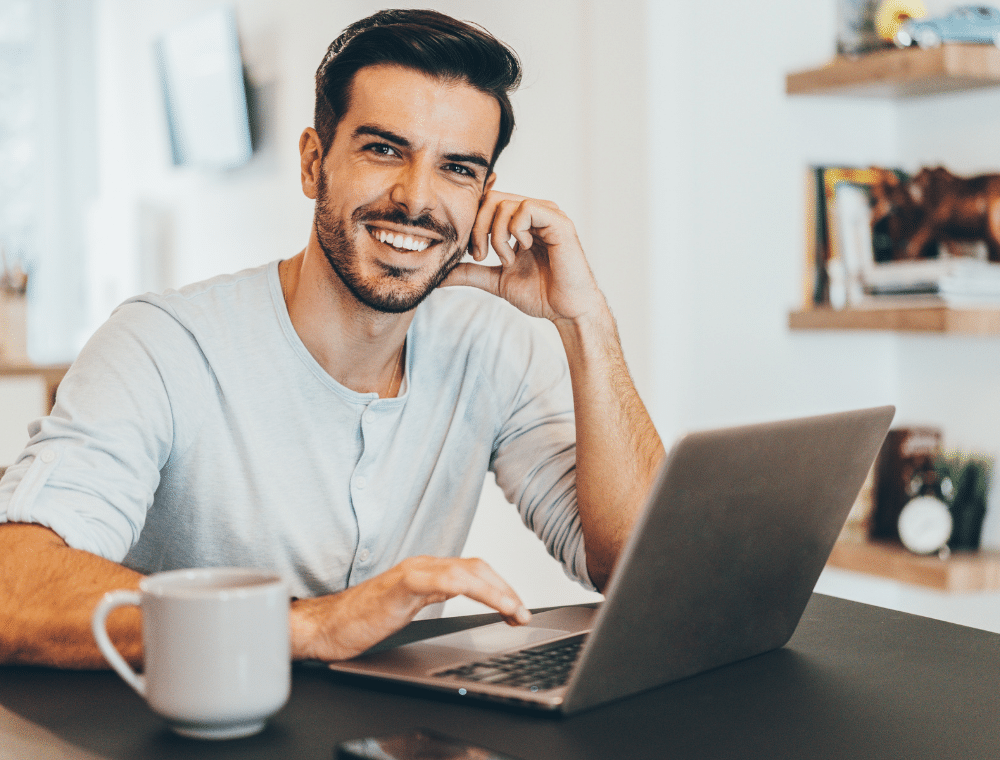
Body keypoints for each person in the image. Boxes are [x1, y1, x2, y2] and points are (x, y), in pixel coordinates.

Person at [0, 9, 663, 668]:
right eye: (383, 150)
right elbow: (13, 585)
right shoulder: (162, 346)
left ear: (485, 194)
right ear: (314, 164)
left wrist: (585, 323)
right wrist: (310, 626)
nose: (415, 199)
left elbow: (638, 568)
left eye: (457, 169)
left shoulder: (489, 347)